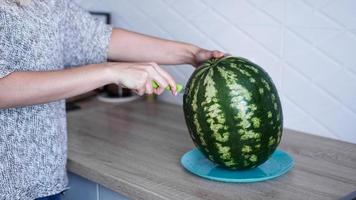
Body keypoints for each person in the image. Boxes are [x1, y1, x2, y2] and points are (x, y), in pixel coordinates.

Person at [0, 0, 224, 199]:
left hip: (45, 180)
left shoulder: (47, 4)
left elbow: (101, 39)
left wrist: (192, 54)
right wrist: (110, 72)